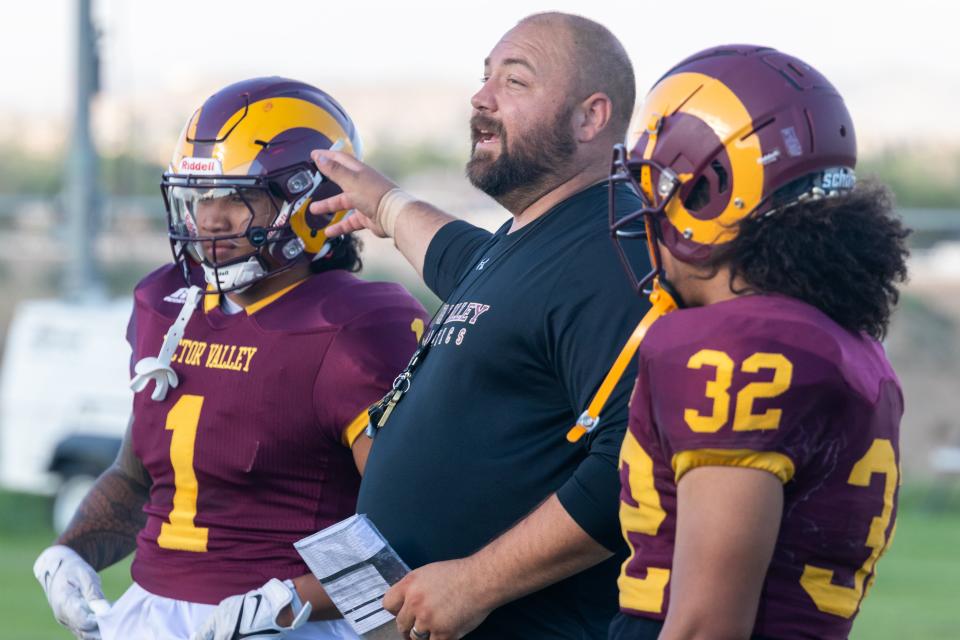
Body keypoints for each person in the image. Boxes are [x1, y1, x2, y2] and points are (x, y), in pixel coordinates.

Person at [33, 77, 429, 640]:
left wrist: (291, 600)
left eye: (236, 199)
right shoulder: (165, 302)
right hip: (147, 615)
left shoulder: (356, 323)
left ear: (309, 200)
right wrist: (67, 554)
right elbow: (137, 477)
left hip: (297, 627)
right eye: (200, 198)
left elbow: (417, 531)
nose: (210, 221)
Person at [308, 12, 649, 640]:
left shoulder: (611, 252)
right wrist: (384, 203)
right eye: (484, 77)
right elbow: (458, 257)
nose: (481, 98)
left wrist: (477, 581)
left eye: (514, 82)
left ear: (590, 117)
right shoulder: (524, 241)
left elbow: (633, 465)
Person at [606, 45, 909, 639]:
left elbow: (704, 626)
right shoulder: (844, 341)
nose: (646, 214)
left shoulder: (739, 344)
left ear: (710, 193)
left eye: (658, 189)